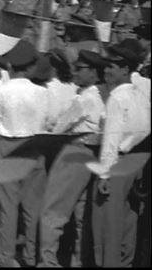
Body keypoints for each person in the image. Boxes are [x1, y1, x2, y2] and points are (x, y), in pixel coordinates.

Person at [38, 49, 106, 268]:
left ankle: (47, 261)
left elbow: (60, 126)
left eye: (80, 69)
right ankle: (78, 260)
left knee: (53, 210)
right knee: (81, 213)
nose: (75, 72)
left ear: (94, 72)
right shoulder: (102, 96)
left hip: (75, 150)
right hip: (92, 154)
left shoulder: (85, 99)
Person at [0, 39, 51, 268]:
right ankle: (31, 256)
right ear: (32, 67)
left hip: (7, 143)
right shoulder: (42, 92)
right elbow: (47, 121)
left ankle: (5, 256)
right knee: (33, 207)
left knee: (8, 205)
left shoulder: (3, 91)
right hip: (34, 145)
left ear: (10, 66)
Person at [91, 43, 151, 268]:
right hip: (138, 159)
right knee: (129, 219)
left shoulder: (117, 97)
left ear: (126, 70)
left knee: (108, 222)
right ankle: (125, 263)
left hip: (118, 161)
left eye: (113, 67)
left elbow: (111, 139)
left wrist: (105, 175)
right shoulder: (141, 93)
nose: (107, 71)